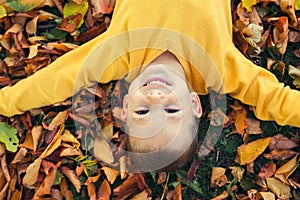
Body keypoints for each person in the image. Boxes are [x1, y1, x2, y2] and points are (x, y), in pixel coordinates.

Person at [0, 0, 299, 170]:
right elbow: (276, 101)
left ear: (127, 103)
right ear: (195, 103)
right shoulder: (219, 68)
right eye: (171, 109)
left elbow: (56, 81)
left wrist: (6, 102)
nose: (156, 96)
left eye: (143, 113)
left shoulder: (119, 53)